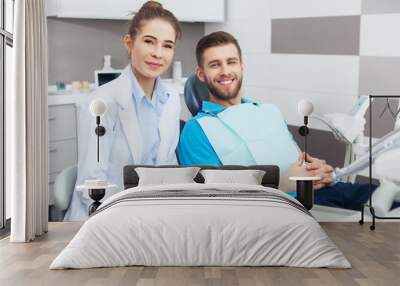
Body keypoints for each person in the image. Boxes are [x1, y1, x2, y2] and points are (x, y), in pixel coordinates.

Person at [178, 31, 376, 211]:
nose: (225, 71)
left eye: (231, 62)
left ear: (241, 66)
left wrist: (316, 170)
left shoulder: (268, 111)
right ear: (201, 74)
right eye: (215, 64)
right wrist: (286, 182)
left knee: (387, 196)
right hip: (285, 209)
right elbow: (215, 201)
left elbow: (297, 158)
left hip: (324, 191)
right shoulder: (196, 130)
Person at [64, 1, 182, 221]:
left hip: (152, 216)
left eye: (167, 45)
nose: (158, 53)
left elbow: (168, 166)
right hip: (104, 218)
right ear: (129, 43)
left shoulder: (171, 100)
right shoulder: (102, 102)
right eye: (149, 41)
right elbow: (93, 184)